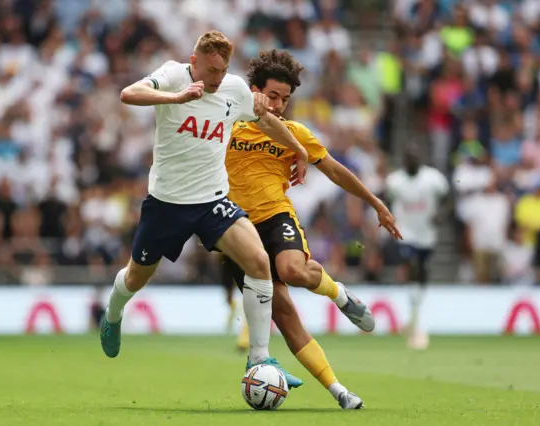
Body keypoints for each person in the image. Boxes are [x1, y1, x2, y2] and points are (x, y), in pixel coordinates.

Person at [99, 31, 310, 382]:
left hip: (212, 200)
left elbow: (267, 122)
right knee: (137, 277)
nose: (216, 79)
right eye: (211, 70)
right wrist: (177, 97)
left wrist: (299, 150)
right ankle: (113, 313)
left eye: (223, 70)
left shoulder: (233, 89)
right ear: (194, 61)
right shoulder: (172, 75)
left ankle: (260, 359)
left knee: (259, 262)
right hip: (167, 203)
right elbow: (127, 94)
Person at [224, 49, 403, 410]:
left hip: (275, 218)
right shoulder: (227, 123)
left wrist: (376, 204)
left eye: (285, 99)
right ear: (254, 90)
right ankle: (339, 390)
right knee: (286, 316)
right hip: (234, 228)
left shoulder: (295, 134)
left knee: (293, 270)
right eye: (272, 96)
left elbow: (335, 170)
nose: (278, 105)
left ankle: (338, 294)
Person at [385, 146, 449, 349]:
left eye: (415, 158)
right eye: (409, 159)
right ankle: (414, 314)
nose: (412, 162)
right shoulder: (395, 181)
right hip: (406, 233)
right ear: (404, 162)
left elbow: (448, 198)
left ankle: (416, 309)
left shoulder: (433, 179)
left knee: (422, 270)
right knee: (412, 265)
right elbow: (386, 200)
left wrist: (441, 215)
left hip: (427, 234)